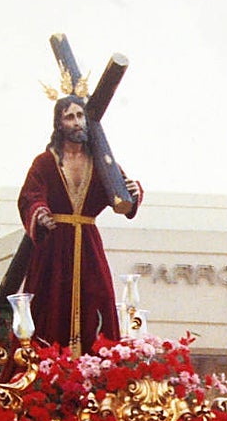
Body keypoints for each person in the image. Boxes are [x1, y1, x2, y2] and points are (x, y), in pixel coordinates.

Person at [17, 95, 142, 354]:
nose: (77, 122)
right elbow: (29, 196)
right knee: (48, 310)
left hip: (88, 248)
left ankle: (95, 371)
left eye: (80, 116)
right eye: (70, 117)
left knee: (97, 302)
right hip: (53, 252)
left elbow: (123, 196)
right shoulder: (45, 162)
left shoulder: (101, 163)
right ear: (59, 123)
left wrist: (133, 191)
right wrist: (39, 213)